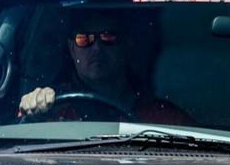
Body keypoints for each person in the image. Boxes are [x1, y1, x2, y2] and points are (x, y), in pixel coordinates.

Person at [17, 9, 192, 125]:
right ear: (72, 49)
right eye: (84, 39)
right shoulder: (50, 109)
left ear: (127, 45)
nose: (97, 48)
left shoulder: (164, 119)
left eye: (108, 37)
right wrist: (32, 109)